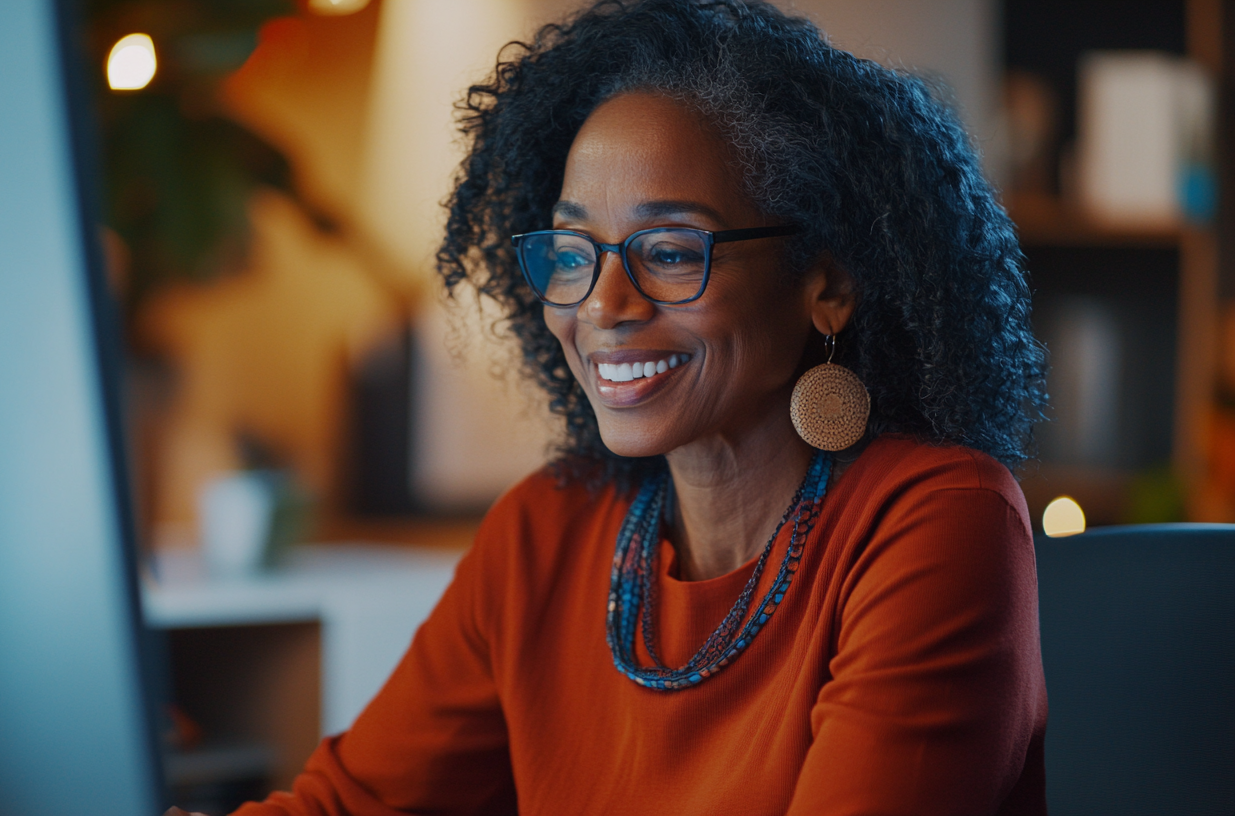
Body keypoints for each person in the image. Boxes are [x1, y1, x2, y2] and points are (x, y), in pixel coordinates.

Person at [228, 1, 1049, 813]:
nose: (602, 304)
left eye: (667, 251)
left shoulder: (937, 522)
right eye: (573, 251)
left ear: (825, 286)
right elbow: (347, 806)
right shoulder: (544, 535)